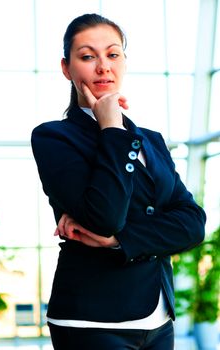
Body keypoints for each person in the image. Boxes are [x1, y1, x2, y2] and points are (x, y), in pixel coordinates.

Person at [31, 13, 206, 350]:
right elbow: (105, 216)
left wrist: (117, 241)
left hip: (158, 317)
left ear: (124, 62)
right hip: (91, 320)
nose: (103, 67)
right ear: (67, 69)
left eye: (113, 54)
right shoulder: (54, 138)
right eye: (87, 56)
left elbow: (193, 223)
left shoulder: (151, 140)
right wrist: (111, 127)